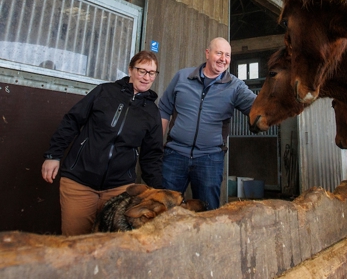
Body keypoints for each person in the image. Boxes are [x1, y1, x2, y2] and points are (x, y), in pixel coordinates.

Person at [41, 51, 164, 236]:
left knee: (110, 244)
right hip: (80, 182)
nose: (147, 77)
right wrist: (53, 155)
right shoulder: (105, 92)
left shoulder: (152, 112)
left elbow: (151, 155)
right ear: (131, 70)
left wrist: (159, 191)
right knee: (76, 241)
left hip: (119, 189)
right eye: (142, 71)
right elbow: (72, 121)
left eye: (152, 73)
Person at [159, 37, 256, 210]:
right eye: (219, 53)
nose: (223, 59)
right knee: (165, 210)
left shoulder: (235, 86)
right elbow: (164, 108)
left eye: (227, 55)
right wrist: (157, 146)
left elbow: (258, 109)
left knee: (208, 212)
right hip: (175, 154)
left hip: (210, 159)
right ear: (207, 53)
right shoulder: (183, 77)